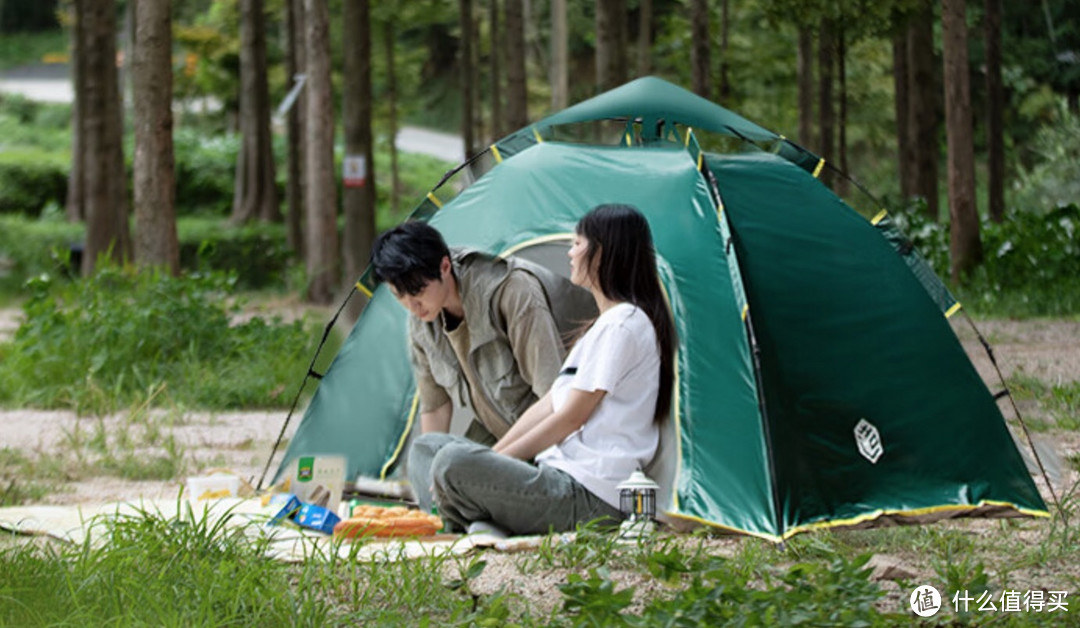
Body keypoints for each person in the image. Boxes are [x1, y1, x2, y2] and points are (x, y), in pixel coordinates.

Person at [416, 204, 676, 535]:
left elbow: (570, 417)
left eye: (578, 244)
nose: (570, 253)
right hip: (558, 475)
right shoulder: (600, 328)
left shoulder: (624, 325)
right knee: (430, 448)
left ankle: (472, 521)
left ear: (603, 253)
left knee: (452, 464)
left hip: (590, 495)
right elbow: (550, 403)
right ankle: (481, 520)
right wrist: (495, 458)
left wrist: (497, 463)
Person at [370, 221, 583, 512]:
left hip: (549, 448)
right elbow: (434, 408)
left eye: (417, 291)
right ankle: (441, 516)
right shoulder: (420, 322)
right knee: (425, 452)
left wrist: (495, 460)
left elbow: (554, 399)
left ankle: (466, 515)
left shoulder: (510, 291)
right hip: (497, 439)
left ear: (445, 266)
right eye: (399, 296)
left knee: (455, 469)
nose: (412, 306)